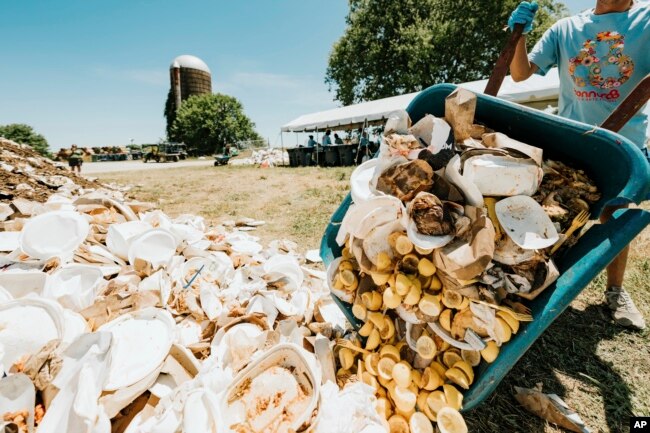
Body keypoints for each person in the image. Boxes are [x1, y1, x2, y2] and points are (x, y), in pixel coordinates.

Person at [508, 0, 649, 329]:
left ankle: (615, 292)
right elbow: (519, 73)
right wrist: (518, 36)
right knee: (556, 218)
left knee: (615, 219)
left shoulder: (645, 19)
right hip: (573, 144)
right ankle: (537, 280)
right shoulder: (566, 29)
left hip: (622, 147)